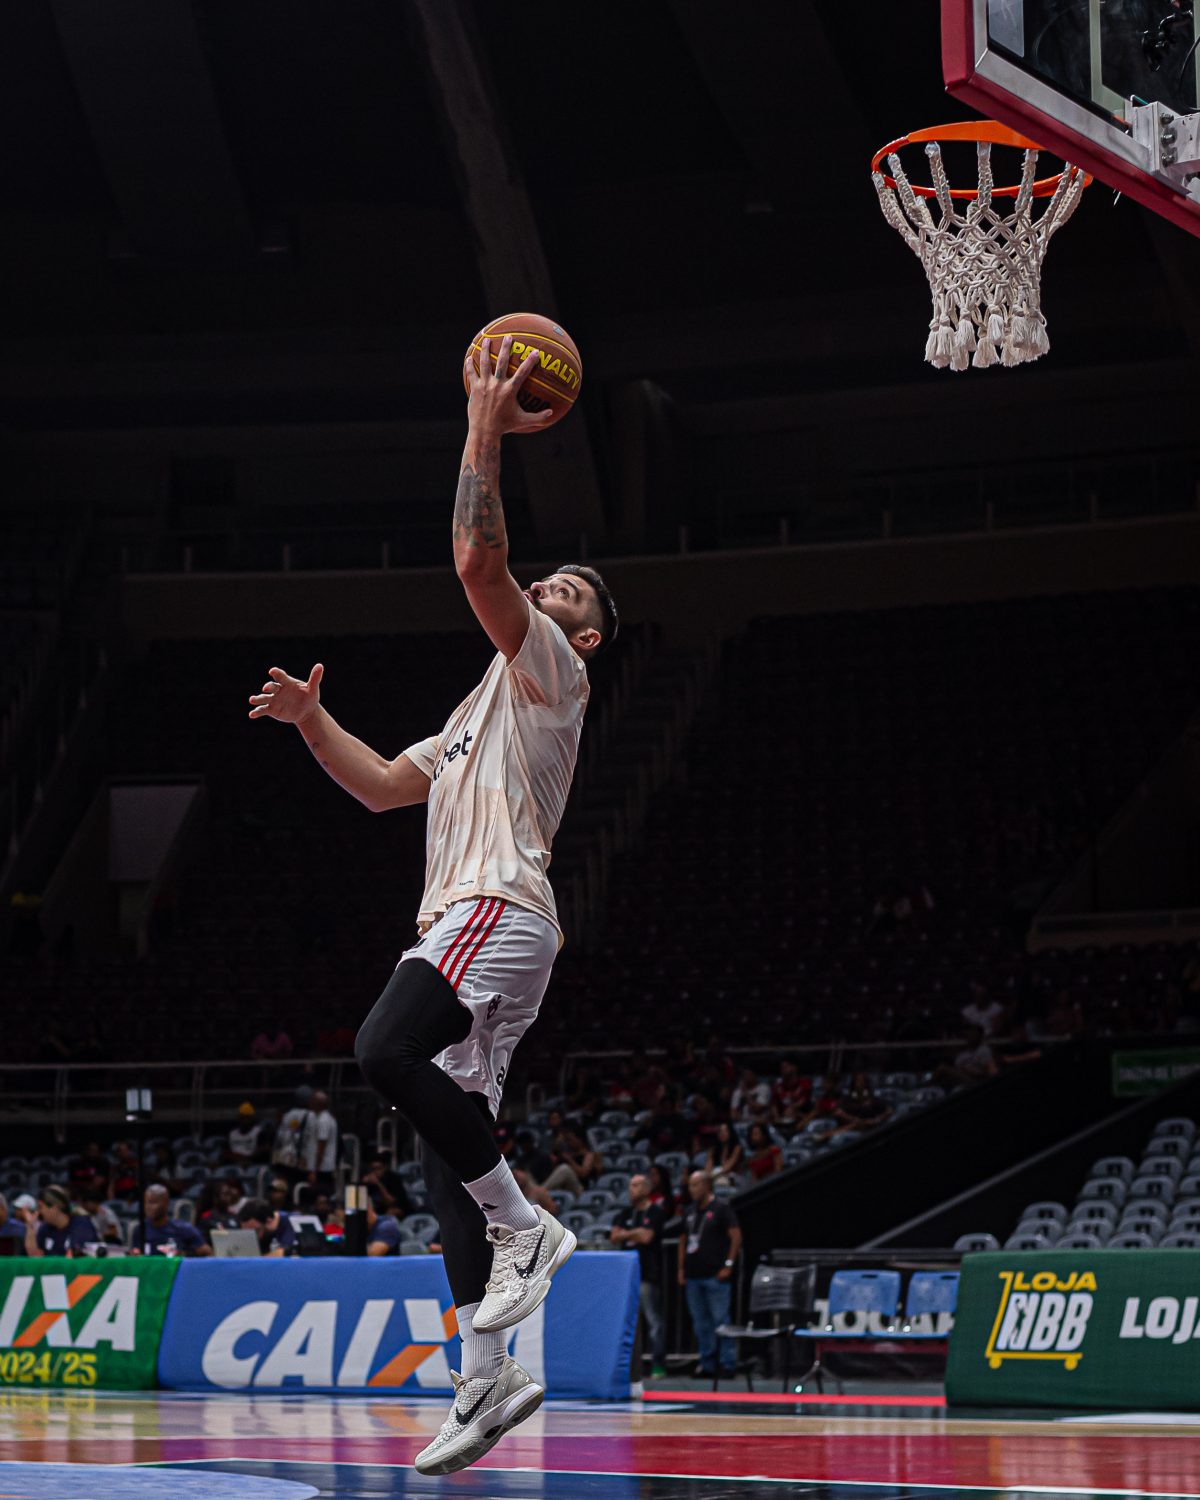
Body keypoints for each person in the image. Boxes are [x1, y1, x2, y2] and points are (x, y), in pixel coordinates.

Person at [248, 331, 619, 1478]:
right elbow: (377, 786)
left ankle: (529, 1228)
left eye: (566, 591)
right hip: (497, 928)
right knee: (445, 1162)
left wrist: (482, 429)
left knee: (382, 1049)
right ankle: (487, 1374)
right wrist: (313, 723)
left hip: (493, 906)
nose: (545, 589)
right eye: (548, 582)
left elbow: (475, 562)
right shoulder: (470, 718)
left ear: (581, 633)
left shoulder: (553, 669)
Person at [678, 1171, 742, 1379]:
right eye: (690, 1185)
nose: (692, 1189)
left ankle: (727, 1363)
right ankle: (707, 1364)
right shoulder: (689, 1211)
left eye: (696, 1185)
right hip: (693, 1276)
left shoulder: (721, 1208)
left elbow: (736, 1236)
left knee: (720, 1320)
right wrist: (681, 1269)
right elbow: (683, 1240)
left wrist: (729, 1264)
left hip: (716, 1276)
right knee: (700, 1324)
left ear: (707, 1185)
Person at [610, 1174, 667, 1377]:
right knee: (627, 1322)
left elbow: (647, 1237)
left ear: (646, 1189)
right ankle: (630, 1367)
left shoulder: (655, 1212)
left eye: (635, 1185)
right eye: (630, 1185)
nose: (631, 1189)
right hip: (626, 1278)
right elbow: (614, 1236)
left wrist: (627, 1233)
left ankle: (658, 1364)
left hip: (647, 1275)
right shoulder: (625, 1213)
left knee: (654, 1322)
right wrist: (636, 1233)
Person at [131, 1185, 210, 1257]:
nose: (148, 1207)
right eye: (146, 1202)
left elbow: (207, 1252)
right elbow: (136, 1253)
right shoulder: (140, 1230)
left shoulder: (184, 1229)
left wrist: (184, 1255)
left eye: (153, 1202)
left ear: (166, 1203)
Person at [22, 1186, 96, 1258]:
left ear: (54, 1208)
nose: (38, 1211)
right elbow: (35, 1257)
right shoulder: (45, 1228)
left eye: (41, 1207)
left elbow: (73, 1256)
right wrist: (30, 1226)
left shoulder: (81, 1224)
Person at [705, 1122, 745, 1187]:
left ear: (730, 1132)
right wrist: (708, 1176)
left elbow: (728, 1167)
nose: (722, 1134)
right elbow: (708, 1167)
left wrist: (712, 1177)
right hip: (716, 1176)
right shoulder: (713, 1149)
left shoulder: (737, 1148)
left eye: (725, 1131)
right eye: (720, 1131)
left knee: (719, 1177)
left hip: (734, 1177)